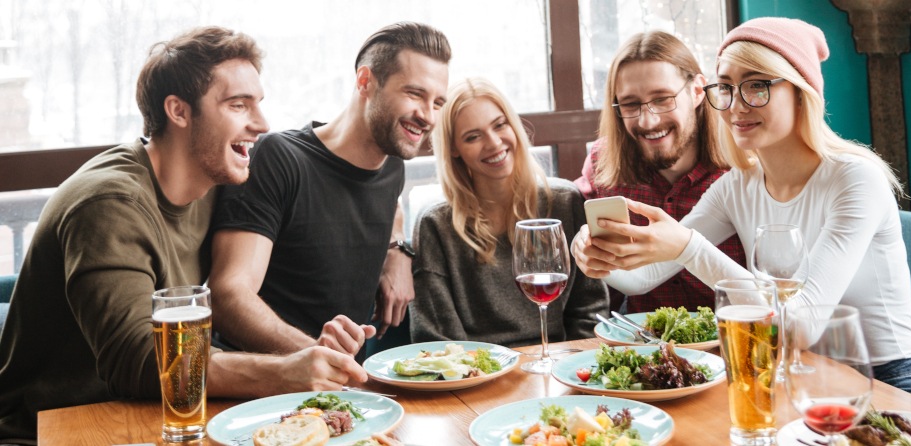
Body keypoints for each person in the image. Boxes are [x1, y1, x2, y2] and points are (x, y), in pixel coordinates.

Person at [0, 26, 371, 443]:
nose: (262, 123)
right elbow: (140, 360)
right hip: (53, 430)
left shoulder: (215, 185)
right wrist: (282, 372)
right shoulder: (108, 204)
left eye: (259, 104)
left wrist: (395, 248)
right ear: (178, 111)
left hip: (156, 419)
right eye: (238, 105)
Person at [571, 17, 911, 404]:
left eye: (757, 85)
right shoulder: (737, 185)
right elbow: (646, 277)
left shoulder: (855, 180)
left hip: (889, 380)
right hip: (795, 377)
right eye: (727, 88)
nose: (736, 105)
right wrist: (593, 253)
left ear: (801, 91)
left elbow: (800, 324)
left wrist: (688, 246)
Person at [207, 22, 450, 359]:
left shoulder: (391, 166)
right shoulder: (279, 158)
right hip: (263, 391)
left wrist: (396, 252)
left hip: (347, 393)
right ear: (365, 81)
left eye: (438, 102)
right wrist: (318, 358)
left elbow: (384, 205)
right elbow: (227, 295)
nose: (428, 116)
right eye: (415, 94)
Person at [410, 77, 608, 347]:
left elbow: (591, 315)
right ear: (454, 149)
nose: (493, 143)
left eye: (499, 125)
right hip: (477, 376)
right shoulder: (435, 224)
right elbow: (438, 339)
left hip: (558, 367)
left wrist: (567, 371)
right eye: (473, 136)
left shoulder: (564, 202)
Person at [574, 31, 745, 314]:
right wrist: (582, 247)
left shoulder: (741, 168)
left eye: (663, 99)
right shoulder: (604, 163)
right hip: (642, 345)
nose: (648, 120)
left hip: (734, 342)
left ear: (698, 91)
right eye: (630, 104)